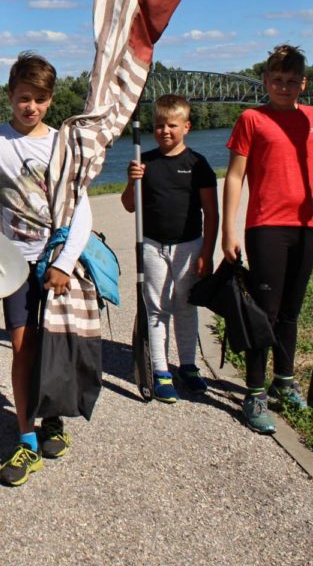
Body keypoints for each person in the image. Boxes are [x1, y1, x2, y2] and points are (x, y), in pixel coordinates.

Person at [222, 44, 313, 434]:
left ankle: (283, 381)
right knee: (263, 313)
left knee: (290, 313)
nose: (283, 87)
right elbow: (234, 176)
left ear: (303, 83)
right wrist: (229, 230)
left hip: (304, 227)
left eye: (291, 81)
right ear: (266, 81)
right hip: (265, 227)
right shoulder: (252, 119)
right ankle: (254, 393)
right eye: (277, 80)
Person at [0, 52, 91, 487]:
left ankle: (53, 419)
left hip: (55, 261)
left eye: (40, 99)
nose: (31, 107)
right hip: (13, 263)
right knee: (23, 347)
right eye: (24, 98)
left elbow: (81, 212)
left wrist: (64, 263)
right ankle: (26, 438)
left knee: (57, 346)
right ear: (9, 95)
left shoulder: (63, 144)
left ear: (51, 99)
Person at [121, 94, 218, 402]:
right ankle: (161, 370)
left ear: (186, 127)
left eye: (172, 125)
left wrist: (207, 253)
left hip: (189, 245)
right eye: (160, 125)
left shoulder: (198, 164)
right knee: (157, 307)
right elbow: (128, 206)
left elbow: (211, 212)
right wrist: (131, 181)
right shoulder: (144, 162)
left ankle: (188, 366)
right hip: (152, 245)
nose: (165, 131)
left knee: (185, 305)